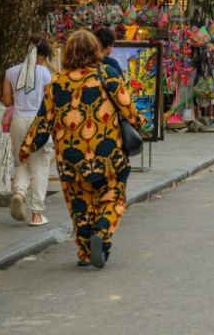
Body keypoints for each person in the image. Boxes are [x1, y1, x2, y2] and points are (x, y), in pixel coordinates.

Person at [20, 30, 144, 268]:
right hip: (108, 155)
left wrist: (26, 148)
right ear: (96, 50)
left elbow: (43, 121)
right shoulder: (107, 75)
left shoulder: (57, 82)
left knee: (80, 205)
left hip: (71, 157)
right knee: (112, 197)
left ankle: (85, 253)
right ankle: (102, 233)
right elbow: (128, 108)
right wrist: (140, 124)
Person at [3, 34, 54, 226]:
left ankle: (19, 192)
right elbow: (50, 101)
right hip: (38, 121)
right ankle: (37, 214)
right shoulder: (44, 73)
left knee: (21, 163)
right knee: (40, 166)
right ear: (41, 56)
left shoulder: (10, 72)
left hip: (17, 120)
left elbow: (7, 101)